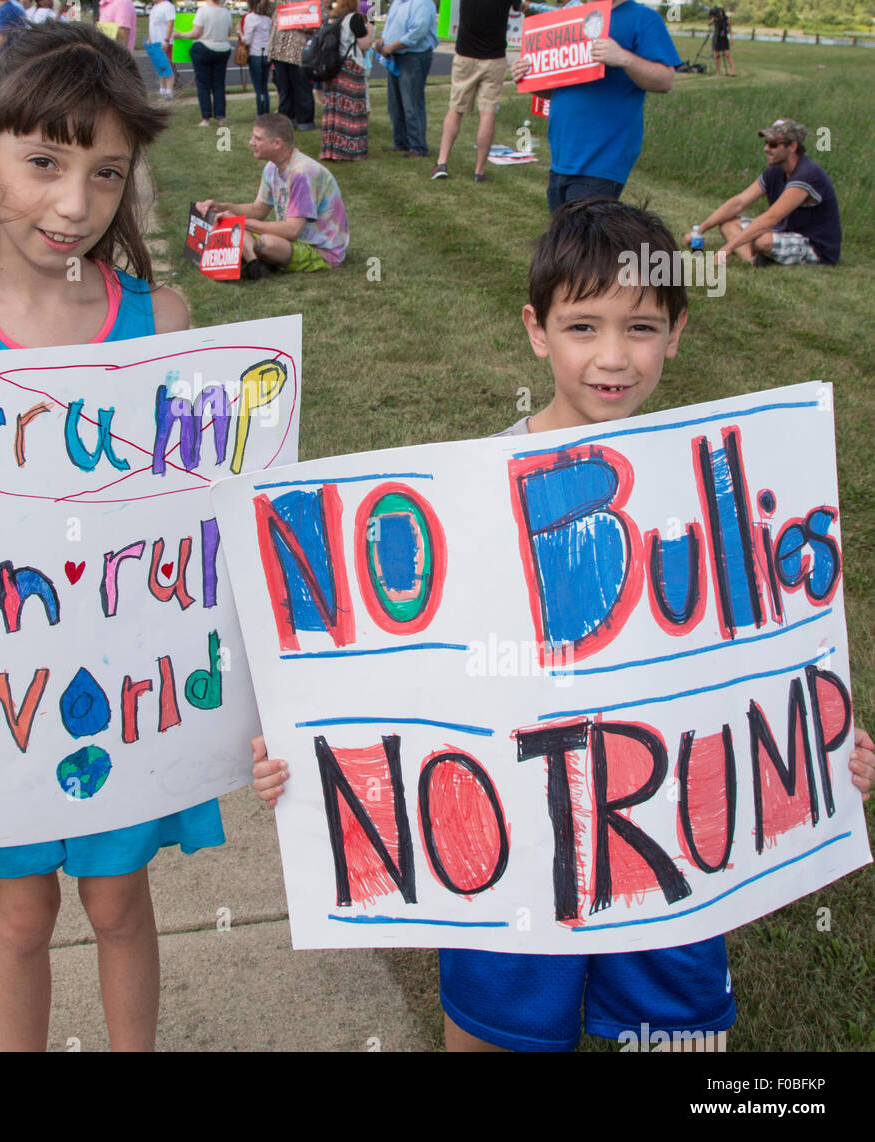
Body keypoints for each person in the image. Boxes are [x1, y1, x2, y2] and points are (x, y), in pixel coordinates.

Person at [252, 197, 875, 1052]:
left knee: (673, 1038)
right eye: (583, 327)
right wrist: (306, 750)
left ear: (679, 330)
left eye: (642, 328)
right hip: (511, 844)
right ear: (537, 331)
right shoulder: (471, 493)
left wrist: (820, 743)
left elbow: (765, 652)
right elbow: (401, 672)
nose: (613, 358)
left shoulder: (709, 486)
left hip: (670, 840)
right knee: (497, 1037)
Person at [0, 23, 221, 1052]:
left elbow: (206, 513)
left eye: (105, 173)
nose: (74, 204)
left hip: (119, 683)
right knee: (20, 914)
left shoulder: (160, 320)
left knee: (118, 905)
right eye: (45, 163)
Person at [512, 0, 680, 213]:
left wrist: (623, 57)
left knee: (582, 250)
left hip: (602, 162)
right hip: (562, 159)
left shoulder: (643, 19)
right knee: (566, 247)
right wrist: (528, 77)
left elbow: (665, 81)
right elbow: (554, 92)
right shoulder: (568, 21)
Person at [192, 113, 348, 279]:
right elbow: (257, 210)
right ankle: (256, 264)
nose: (251, 142)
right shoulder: (271, 168)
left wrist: (239, 221)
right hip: (290, 240)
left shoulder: (302, 173)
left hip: (320, 250)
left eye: (257, 138)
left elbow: (292, 230)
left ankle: (255, 260)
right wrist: (221, 207)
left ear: (277, 143)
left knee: (265, 243)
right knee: (239, 229)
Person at [688, 118, 840, 267]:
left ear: (793, 146)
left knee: (762, 240)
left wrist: (727, 248)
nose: (766, 148)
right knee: (727, 224)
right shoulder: (775, 171)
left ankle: (757, 251)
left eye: (773, 144)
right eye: (766, 143)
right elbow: (739, 202)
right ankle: (752, 261)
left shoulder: (807, 175)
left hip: (814, 245)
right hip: (784, 232)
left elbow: (771, 218)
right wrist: (700, 230)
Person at [432, 0, 521, 182]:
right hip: (494, 58)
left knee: (455, 110)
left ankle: (442, 162)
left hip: (465, 55)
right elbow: (518, 6)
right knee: (487, 114)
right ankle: (479, 171)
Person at [373, 0, 439, 158]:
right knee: (395, 104)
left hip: (414, 57)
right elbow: (390, 27)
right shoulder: (398, 2)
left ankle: (418, 146)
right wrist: (382, 41)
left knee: (412, 103)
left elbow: (416, 34)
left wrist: (391, 47)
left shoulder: (422, 3)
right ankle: (400, 142)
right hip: (395, 56)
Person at [318, 0, 371, 162]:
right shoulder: (354, 19)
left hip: (332, 67)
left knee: (334, 110)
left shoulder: (332, 18)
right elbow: (364, 45)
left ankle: (332, 149)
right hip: (350, 67)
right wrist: (369, 31)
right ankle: (350, 149)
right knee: (351, 110)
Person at [265, 0, 319, 131]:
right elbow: (262, 9)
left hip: (300, 53)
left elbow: (318, 27)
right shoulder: (279, 2)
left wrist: (309, 29)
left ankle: (305, 121)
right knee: (284, 89)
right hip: (280, 52)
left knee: (302, 88)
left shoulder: (311, 3)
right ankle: (287, 119)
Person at [186, 0, 232, 126]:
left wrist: (180, 34)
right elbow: (228, 33)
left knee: (203, 84)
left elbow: (196, 33)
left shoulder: (203, 11)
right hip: (222, 49)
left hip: (204, 48)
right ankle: (220, 116)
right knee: (219, 84)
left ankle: (206, 117)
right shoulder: (226, 12)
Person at [239, 0, 271, 116]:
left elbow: (247, 40)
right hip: (267, 53)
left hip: (255, 54)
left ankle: (260, 113)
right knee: (265, 87)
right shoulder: (267, 18)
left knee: (258, 89)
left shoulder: (250, 18)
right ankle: (266, 112)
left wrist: (239, 33)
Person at [143, 0, 177, 101]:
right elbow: (152, 25)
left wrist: (167, 40)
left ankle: (169, 91)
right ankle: (162, 91)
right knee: (160, 67)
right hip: (155, 43)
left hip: (165, 42)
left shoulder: (167, 6)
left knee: (167, 66)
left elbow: (170, 24)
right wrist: (149, 38)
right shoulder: (154, 7)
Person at [710, 6, 735, 77]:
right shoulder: (715, 18)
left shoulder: (727, 19)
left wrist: (731, 38)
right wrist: (713, 20)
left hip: (724, 38)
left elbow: (730, 29)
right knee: (717, 55)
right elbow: (709, 24)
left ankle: (733, 71)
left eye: (720, 12)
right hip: (717, 38)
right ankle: (718, 72)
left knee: (727, 54)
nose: (720, 14)